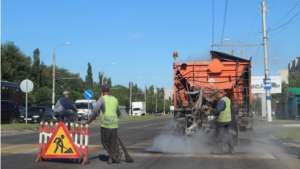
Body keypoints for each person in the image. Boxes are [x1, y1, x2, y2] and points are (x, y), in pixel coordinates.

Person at [86, 84, 122, 164]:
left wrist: (88, 122)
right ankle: (113, 156)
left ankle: (113, 155)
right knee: (113, 141)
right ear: (109, 90)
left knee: (105, 142)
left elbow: (95, 112)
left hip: (106, 125)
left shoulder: (101, 99)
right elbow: (119, 112)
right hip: (114, 124)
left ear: (101, 91)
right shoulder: (115, 99)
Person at [206, 90, 234, 155]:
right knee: (227, 134)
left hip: (221, 121)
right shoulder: (227, 99)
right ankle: (231, 150)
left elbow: (218, 109)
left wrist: (210, 112)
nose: (216, 98)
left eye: (216, 96)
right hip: (227, 120)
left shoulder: (222, 101)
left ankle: (219, 150)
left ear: (219, 94)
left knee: (219, 136)